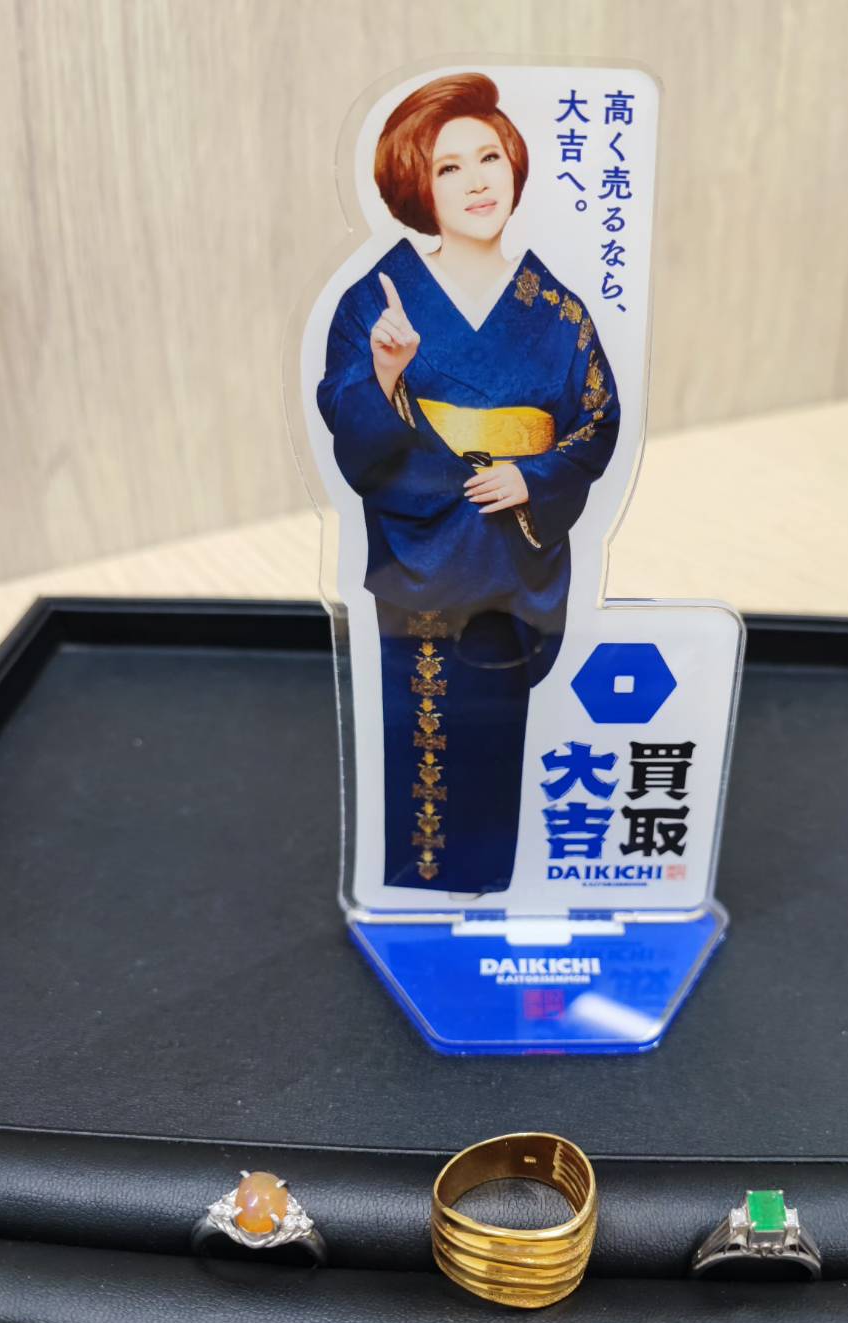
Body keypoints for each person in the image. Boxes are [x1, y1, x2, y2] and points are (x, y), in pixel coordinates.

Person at [316, 72, 620, 895]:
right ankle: (419, 886)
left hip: (510, 554)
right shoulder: (377, 299)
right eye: (448, 168)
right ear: (416, 185)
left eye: (488, 156)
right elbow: (342, 410)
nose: (477, 181)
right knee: (421, 724)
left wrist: (533, 477)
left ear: (514, 163)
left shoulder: (557, 309)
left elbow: (598, 420)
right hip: (424, 547)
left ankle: (483, 887)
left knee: (493, 726)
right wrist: (386, 373)